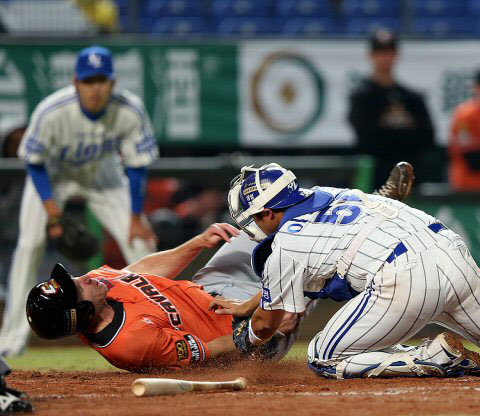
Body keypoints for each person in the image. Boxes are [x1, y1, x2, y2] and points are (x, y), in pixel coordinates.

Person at [213, 162, 480, 380]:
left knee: (323, 356)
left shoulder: (286, 243)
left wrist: (246, 338)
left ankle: (432, 358)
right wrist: (250, 304)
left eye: (255, 218)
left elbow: (269, 324)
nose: (255, 227)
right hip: (451, 251)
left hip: (405, 277)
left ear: (268, 212)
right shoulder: (337, 194)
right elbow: (279, 296)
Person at [0, 45, 158, 357]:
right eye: (88, 81)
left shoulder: (129, 110)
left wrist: (136, 218)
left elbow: (138, 166)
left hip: (103, 174)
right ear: (75, 82)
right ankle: (12, 338)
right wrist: (52, 212)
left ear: (112, 82)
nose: (95, 88)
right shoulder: (52, 111)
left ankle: (159, 319)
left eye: (101, 80)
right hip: (54, 176)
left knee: (142, 243)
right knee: (30, 244)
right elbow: (34, 162)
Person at [193, 161, 416, 359]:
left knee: (298, 251)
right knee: (309, 264)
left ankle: (369, 207)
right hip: (249, 319)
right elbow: (264, 328)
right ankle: (370, 209)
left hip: (217, 297)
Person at [24, 223, 263, 372]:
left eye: (74, 279)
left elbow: (137, 274)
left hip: (211, 285)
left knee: (265, 224)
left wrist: (197, 243)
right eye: (77, 288)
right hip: (238, 325)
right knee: (293, 271)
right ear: (83, 313)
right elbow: (209, 352)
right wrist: (261, 324)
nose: (83, 279)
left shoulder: (98, 287)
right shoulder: (132, 342)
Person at [348, 29, 435, 186]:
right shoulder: (362, 96)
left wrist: (387, 129)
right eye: (380, 52)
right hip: (375, 178)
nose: (385, 57)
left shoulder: (411, 97)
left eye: (389, 52)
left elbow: (427, 137)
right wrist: (405, 131)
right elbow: (367, 139)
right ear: (371, 55)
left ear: (396, 55)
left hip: (408, 178)